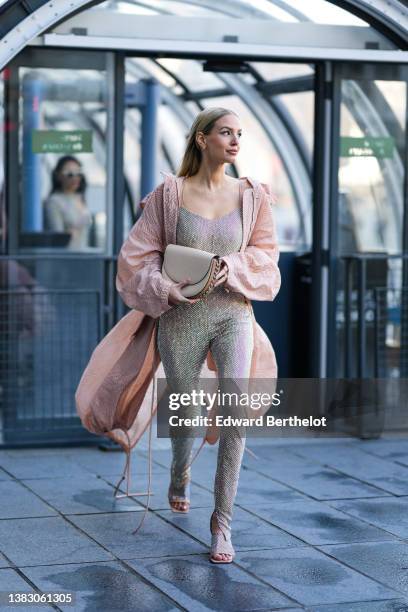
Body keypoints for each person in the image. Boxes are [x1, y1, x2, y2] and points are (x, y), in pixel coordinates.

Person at [113, 106, 281, 564]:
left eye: (239, 134)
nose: (235, 140)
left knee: (234, 412)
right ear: (202, 139)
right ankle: (180, 470)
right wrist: (166, 289)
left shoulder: (252, 197)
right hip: (180, 316)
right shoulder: (169, 195)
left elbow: (267, 256)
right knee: (186, 408)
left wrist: (234, 266)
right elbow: (134, 259)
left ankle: (221, 522)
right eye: (225, 132)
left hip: (233, 313)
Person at [44, 156, 92, 250]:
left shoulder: (80, 198)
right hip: (66, 257)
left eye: (78, 173)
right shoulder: (54, 202)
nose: (75, 178)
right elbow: (58, 237)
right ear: (58, 176)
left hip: (84, 255)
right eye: (70, 174)